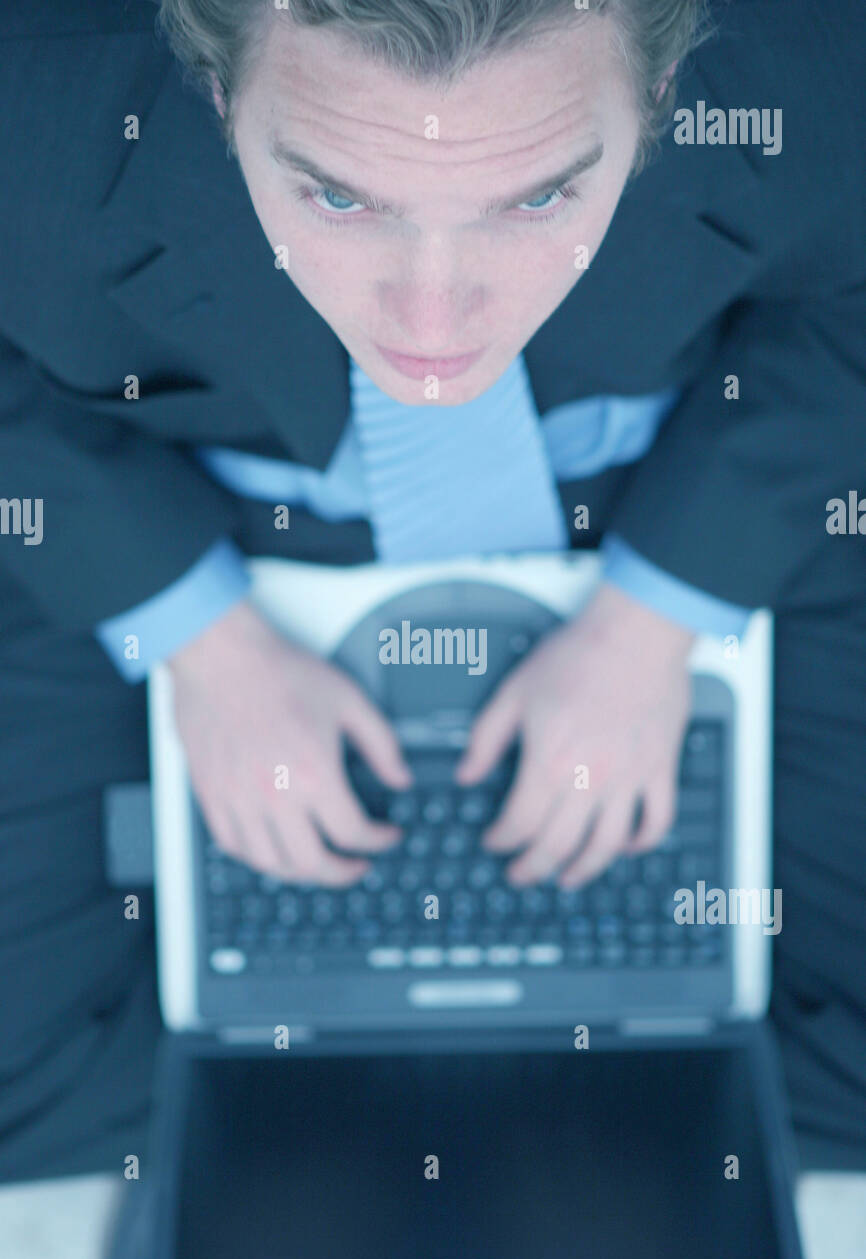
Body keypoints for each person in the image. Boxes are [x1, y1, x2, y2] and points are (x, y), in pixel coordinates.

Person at [0, 0, 864, 1182]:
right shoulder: (28, 107)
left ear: (666, 97)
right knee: (36, 1101)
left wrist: (656, 614)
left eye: (539, 195)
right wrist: (194, 633)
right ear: (214, 90)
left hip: (685, 474)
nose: (433, 328)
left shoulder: (823, 65)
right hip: (165, 487)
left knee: (830, 1089)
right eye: (340, 197)